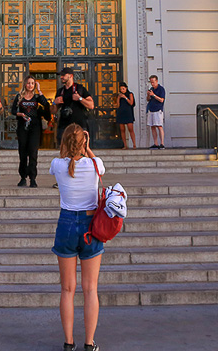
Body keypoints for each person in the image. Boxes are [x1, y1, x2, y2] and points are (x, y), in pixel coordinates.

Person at [50, 124, 104, 351]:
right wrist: (88, 149)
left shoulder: (57, 165)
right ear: (84, 142)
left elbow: (65, 160)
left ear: (64, 142)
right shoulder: (95, 164)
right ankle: (89, 343)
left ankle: (68, 343)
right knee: (90, 289)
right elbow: (97, 166)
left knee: (67, 289)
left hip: (66, 224)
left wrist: (72, 147)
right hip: (91, 227)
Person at [11, 75, 51, 188]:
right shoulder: (19, 96)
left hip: (35, 127)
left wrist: (40, 90)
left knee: (33, 152)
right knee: (23, 152)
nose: (30, 85)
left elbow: (46, 104)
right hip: (22, 127)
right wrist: (19, 114)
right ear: (25, 84)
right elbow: (13, 110)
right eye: (28, 83)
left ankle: (33, 178)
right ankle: (23, 177)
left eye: (32, 83)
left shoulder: (37, 97)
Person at [146, 75, 165, 149]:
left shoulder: (161, 89)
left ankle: (162, 143)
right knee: (152, 126)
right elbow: (148, 99)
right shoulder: (151, 89)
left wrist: (153, 95)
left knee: (159, 126)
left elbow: (161, 100)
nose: (152, 84)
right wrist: (148, 95)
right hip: (151, 109)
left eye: (153, 82)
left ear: (156, 81)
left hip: (158, 109)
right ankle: (156, 143)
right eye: (151, 82)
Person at [116, 82, 136, 149]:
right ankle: (125, 145)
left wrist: (125, 97)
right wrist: (118, 98)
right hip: (121, 113)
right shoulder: (119, 95)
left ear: (126, 88)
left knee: (130, 129)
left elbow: (131, 103)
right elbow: (118, 106)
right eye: (121, 89)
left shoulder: (130, 94)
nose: (122, 90)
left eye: (123, 89)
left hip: (128, 113)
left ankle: (134, 144)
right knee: (122, 129)